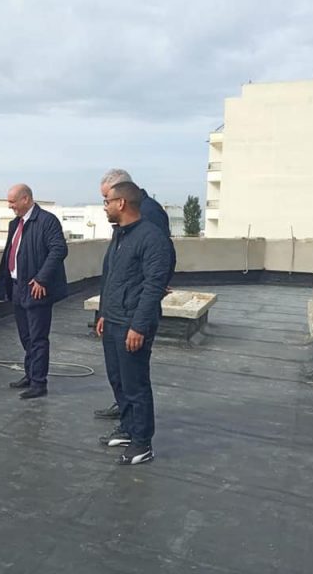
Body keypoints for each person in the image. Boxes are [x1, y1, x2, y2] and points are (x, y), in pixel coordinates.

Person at [96, 181, 172, 464]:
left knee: (135, 384)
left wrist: (138, 326)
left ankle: (142, 442)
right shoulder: (120, 235)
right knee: (118, 380)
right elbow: (111, 278)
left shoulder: (151, 238)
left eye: (107, 202)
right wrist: (103, 313)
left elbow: (153, 286)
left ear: (121, 203)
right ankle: (128, 429)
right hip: (113, 320)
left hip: (132, 324)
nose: (105, 207)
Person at [0, 184, 68, 399]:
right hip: (17, 287)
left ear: (25, 199)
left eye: (12, 202)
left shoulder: (47, 221)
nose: (10, 206)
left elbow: (59, 249)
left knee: (38, 338)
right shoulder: (15, 223)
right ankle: (30, 374)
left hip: (37, 289)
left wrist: (41, 278)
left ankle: (38, 383)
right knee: (25, 336)